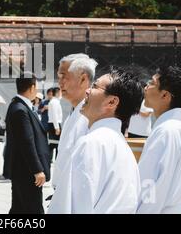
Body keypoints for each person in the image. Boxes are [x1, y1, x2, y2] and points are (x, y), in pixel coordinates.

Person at [48, 68, 143, 214]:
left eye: (95, 86)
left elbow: (71, 207)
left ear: (111, 102)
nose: (87, 91)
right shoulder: (123, 147)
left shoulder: (92, 142)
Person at [137, 66, 181, 214]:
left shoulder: (166, 131)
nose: (146, 86)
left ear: (165, 95)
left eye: (151, 83)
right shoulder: (179, 128)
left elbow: (151, 185)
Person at [3, 73, 50, 214]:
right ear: (32, 87)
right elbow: (26, 142)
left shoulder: (19, 106)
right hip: (27, 171)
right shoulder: (20, 109)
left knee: (19, 208)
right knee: (33, 209)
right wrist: (37, 170)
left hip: (22, 169)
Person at [52, 53, 97, 190]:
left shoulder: (91, 117)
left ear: (83, 79)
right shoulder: (75, 112)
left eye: (64, 77)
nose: (60, 83)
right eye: (58, 77)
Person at [47, 87, 62, 162]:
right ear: (57, 93)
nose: (61, 94)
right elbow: (55, 115)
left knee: (54, 144)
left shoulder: (54, 101)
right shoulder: (54, 102)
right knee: (55, 144)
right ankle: (53, 159)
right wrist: (57, 127)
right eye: (60, 92)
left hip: (53, 124)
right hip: (55, 124)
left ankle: (51, 159)